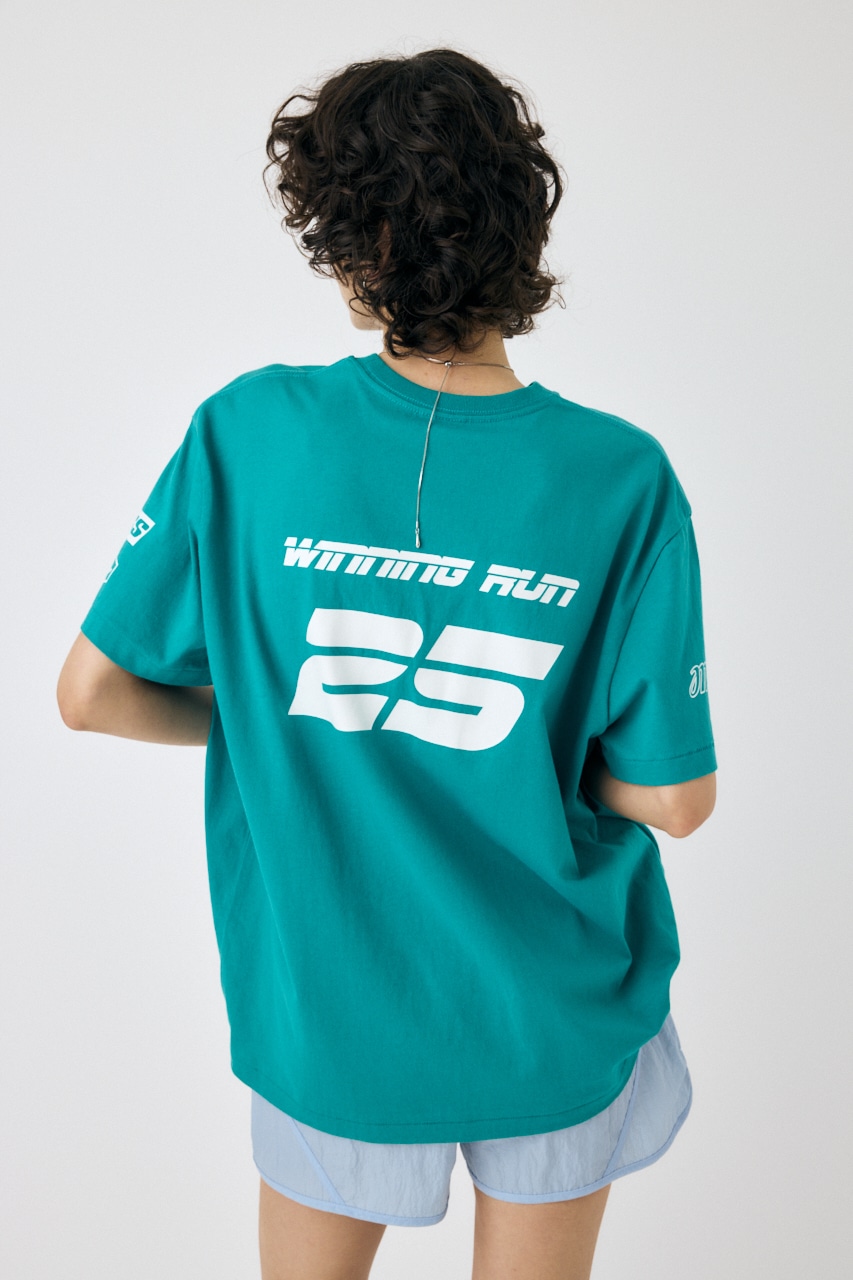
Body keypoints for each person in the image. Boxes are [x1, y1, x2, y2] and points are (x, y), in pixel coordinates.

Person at [56, 47, 717, 1280]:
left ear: (355, 245)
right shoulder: (621, 476)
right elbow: (674, 796)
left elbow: (89, 693)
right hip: (547, 1009)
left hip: (332, 1011)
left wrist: (279, 713)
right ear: (519, 231)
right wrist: (531, 757)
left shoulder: (247, 430)